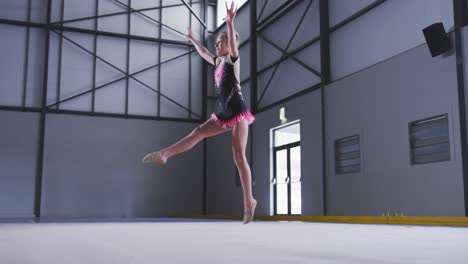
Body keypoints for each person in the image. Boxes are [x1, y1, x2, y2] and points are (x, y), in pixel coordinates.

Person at [142, 1, 257, 224]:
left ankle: (248, 201)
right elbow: (204, 52)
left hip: (239, 112)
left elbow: (233, 45)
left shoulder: (232, 59)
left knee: (238, 156)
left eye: (220, 42)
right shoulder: (217, 62)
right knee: (198, 132)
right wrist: (194, 40)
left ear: (229, 43)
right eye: (216, 43)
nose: (216, 46)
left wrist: (231, 24)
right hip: (225, 113)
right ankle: (164, 154)